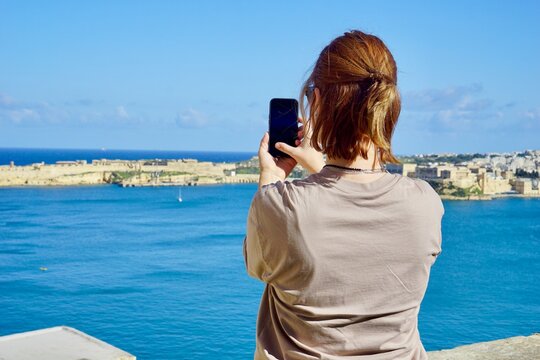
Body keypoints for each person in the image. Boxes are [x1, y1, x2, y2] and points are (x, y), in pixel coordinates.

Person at [243, 30, 444, 360]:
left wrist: (272, 178)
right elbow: (353, 208)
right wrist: (320, 170)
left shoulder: (281, 207)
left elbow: (258, 264)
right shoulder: (425, 203)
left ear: (318, 102)